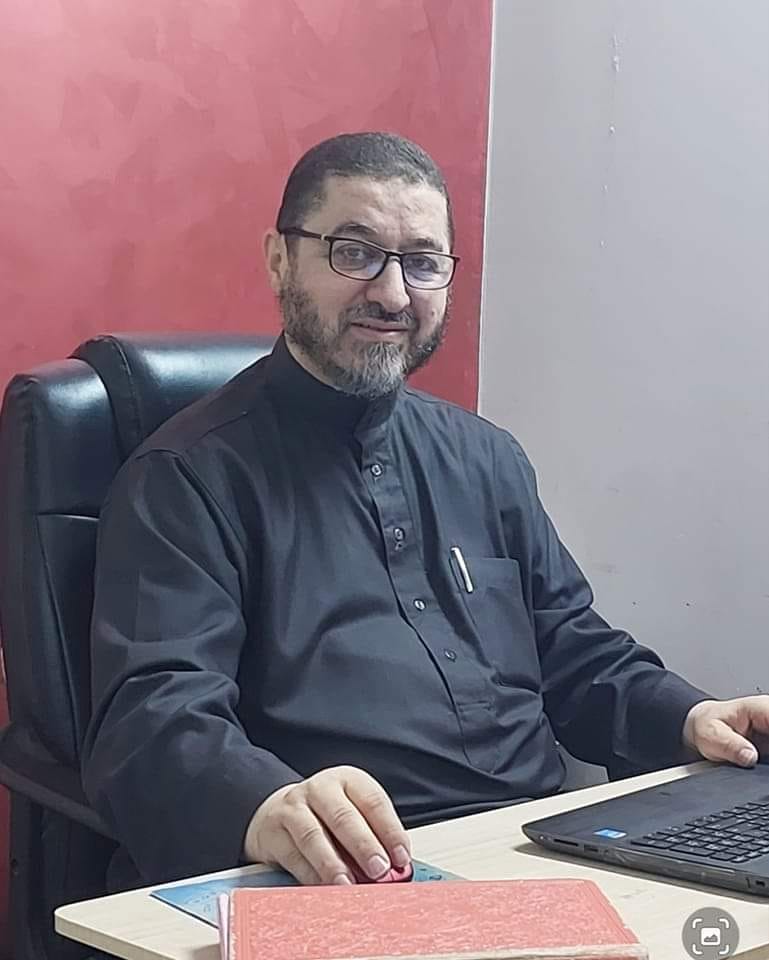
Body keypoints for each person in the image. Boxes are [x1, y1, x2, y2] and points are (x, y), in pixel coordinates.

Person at [82, 131, 769, 892]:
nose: (392, 293)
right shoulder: (185, 477)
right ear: (280, 260)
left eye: (422, 262)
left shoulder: (486, 456)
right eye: (354, 252)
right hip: (348, 872)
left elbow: (573, 651)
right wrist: (268, 806)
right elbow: (154, 715)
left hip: (541, 853)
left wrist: (692, 718)